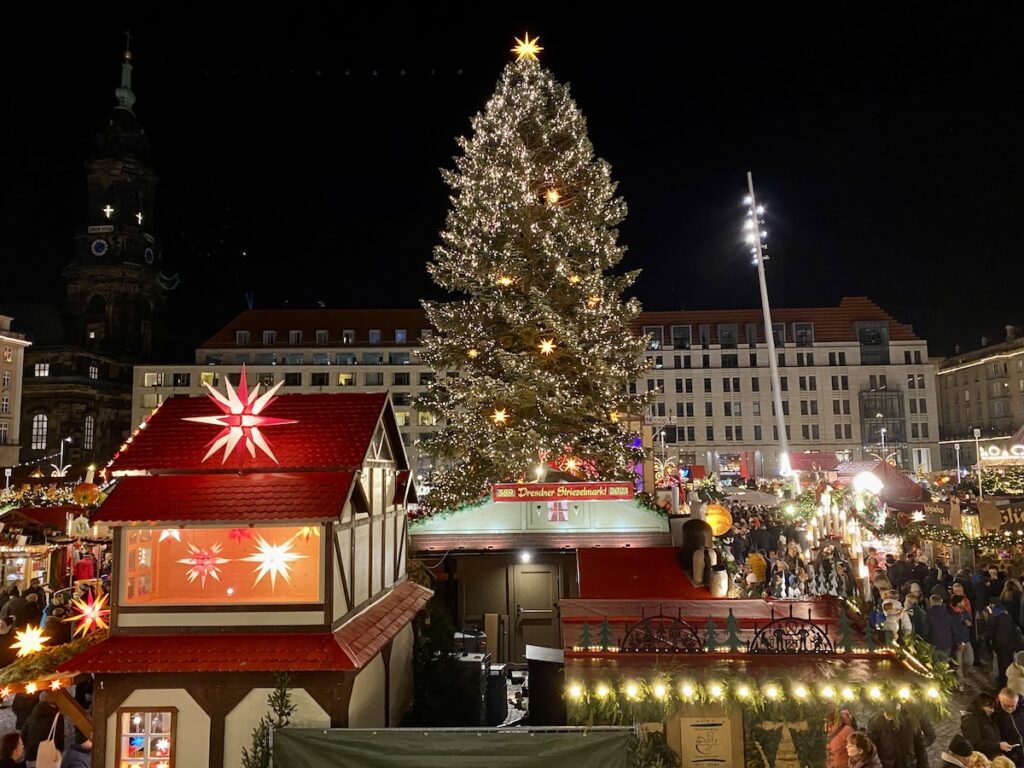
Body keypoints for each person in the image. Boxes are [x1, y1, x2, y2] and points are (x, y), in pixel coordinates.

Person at [867, 706, 935, 768]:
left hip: (909, 764)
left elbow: (920, 748)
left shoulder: (910, 720)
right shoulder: (876, 722)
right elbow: (871, 749)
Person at [963, 692, 1013, 760]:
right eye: (990, 707)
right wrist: (998, 745)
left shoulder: (987, 718)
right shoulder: (970, 719)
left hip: (994, 758)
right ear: (982, 705)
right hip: (982, 760)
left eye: (993, 708)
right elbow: (975, 743)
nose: (992, 710)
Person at [986, 602, 1024, 688]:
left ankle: (1004, 688)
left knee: (1003, 669)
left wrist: (991, 648)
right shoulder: (1008, 618)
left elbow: (989, 634)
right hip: (1010, 647)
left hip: (1001, 648)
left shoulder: (996, 619)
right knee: (1010, 667)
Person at [22, 690, 64, 767]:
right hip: (47, 755)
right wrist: (59, 751)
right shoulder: (57, 716)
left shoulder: (31, 715)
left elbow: (23, 735)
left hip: (31, 755)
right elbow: (59, 736)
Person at [993, 688, 1024, 768]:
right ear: (1000, 698)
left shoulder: (1022, 708)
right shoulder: (994, 713)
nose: (1010, 709)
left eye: (1012, 706)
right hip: (1012, 756)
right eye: (1006, 705)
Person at [926, 594, 955, 659]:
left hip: (933, 644)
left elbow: (926, 630)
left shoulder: (929, 614)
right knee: (944, 664)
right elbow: (953, 628)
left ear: (931, 602)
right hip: (947, 643)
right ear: (941, 602)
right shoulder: (948, 614)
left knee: (935, 665)